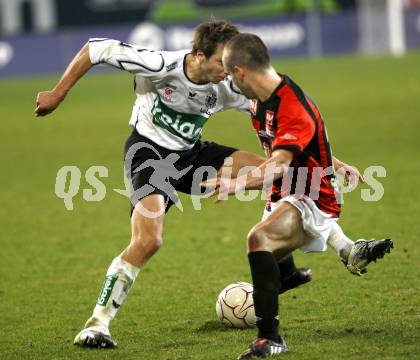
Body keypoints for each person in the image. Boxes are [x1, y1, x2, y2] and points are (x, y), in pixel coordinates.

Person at [34, 21, 322, 348]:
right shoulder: (159, 65)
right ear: (199, 55)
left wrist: (321, 152)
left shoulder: (226, 85)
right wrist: (57, 94)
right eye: (220, 62)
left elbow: (279, 110)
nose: (227, 71)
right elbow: (95, 48)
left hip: (192, 154)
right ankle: (97, 325)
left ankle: (287, 266)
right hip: (150, 156)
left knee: (282, 172)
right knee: (149, 240)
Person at [203, 33, 393, 359]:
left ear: (242, 71)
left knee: (258, 239)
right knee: (269, 254)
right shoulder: (259, 99)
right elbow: (294, 147)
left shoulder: (291, 106)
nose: (227, 80)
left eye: (229, 73)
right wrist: (335, 159)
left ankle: (270, 339)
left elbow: (278, 163)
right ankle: (319, 262)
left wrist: (238, 183)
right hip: (286, 189)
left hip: (312, 194)